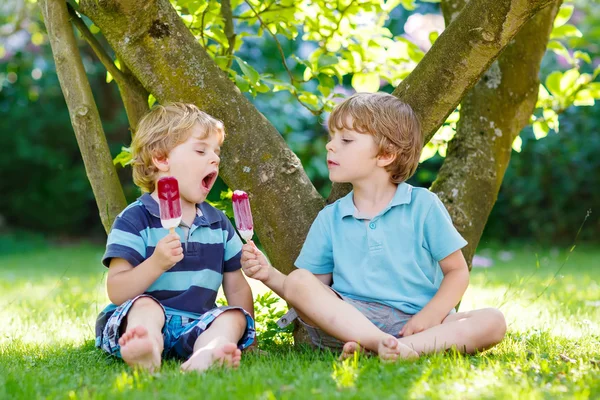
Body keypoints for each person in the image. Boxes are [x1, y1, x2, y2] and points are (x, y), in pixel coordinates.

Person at [241, 92, 506, 361]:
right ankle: (378, 344)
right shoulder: (331, 218)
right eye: (332, 138)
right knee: (299, 279)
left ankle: (402, 350)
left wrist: (431, 315)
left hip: (417, 324)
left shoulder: (423, 206)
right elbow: (310, 291)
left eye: (345, 140)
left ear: (386, 154)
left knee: (493, 321)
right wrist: (269, 274)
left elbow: (457, 272)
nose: (330, 146)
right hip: (349, 323)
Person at [95, 103, 255, 372]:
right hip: (139, 319)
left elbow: (237, 287)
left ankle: (208, 352)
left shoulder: (219, 224)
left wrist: (247, 338)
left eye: (216, 152)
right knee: (145, 306)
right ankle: (146, 347)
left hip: (197, 324)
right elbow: (117, 290)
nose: (214, 159)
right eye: (201, 150)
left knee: (233, 317)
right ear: (161, 159)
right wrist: (155, 263)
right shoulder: (134, 219)